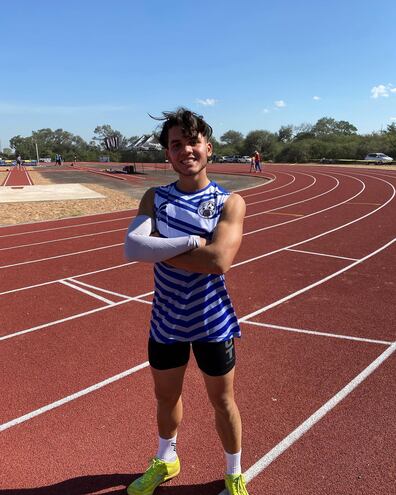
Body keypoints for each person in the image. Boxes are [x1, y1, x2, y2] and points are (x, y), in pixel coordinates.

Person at [124, 108, 249, 495]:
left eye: (193, 142)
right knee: (166, 396)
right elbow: (132, 246)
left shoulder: (230, 202)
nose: (185, 150)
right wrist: (190, 242)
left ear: (208, 148)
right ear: (168, 154)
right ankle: (166, 459)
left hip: (212, 322)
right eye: (176, 144)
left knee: (223, 401)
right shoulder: (154, 197)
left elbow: (218, 261)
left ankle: (233, 473)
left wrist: (155, 248)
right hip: (166, 322)